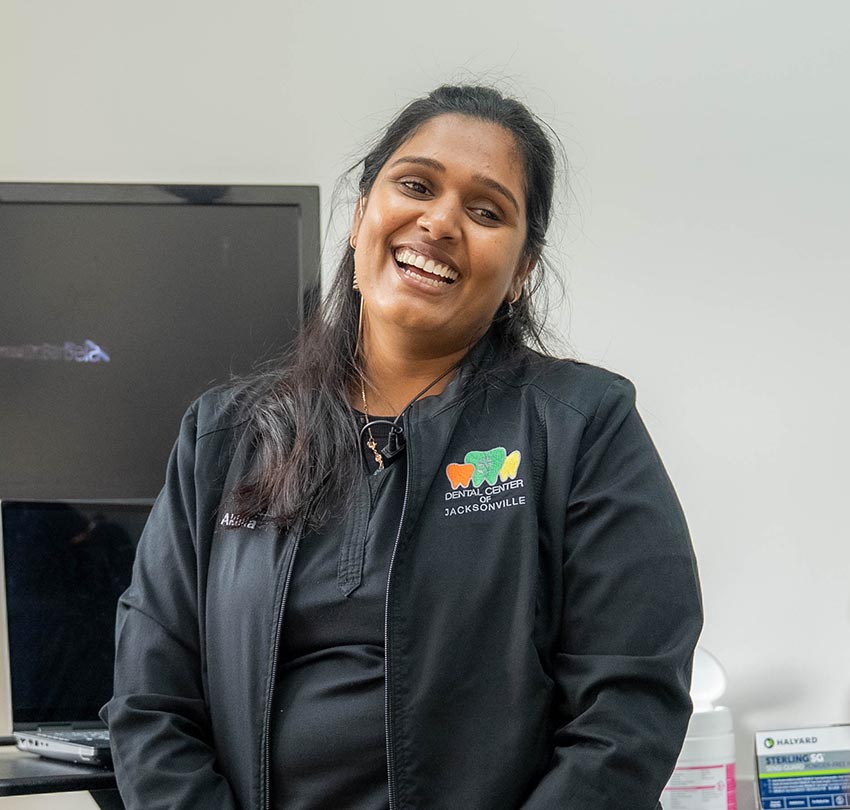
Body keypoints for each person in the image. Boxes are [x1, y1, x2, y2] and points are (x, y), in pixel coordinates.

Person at [103, 85, 703, 810]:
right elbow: (151, 707)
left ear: (521, 272)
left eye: (486, 211)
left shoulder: (585, 426)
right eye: (415, 185)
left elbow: (627, 716)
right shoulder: (223, 437)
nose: (441, 221)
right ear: (361, 218)